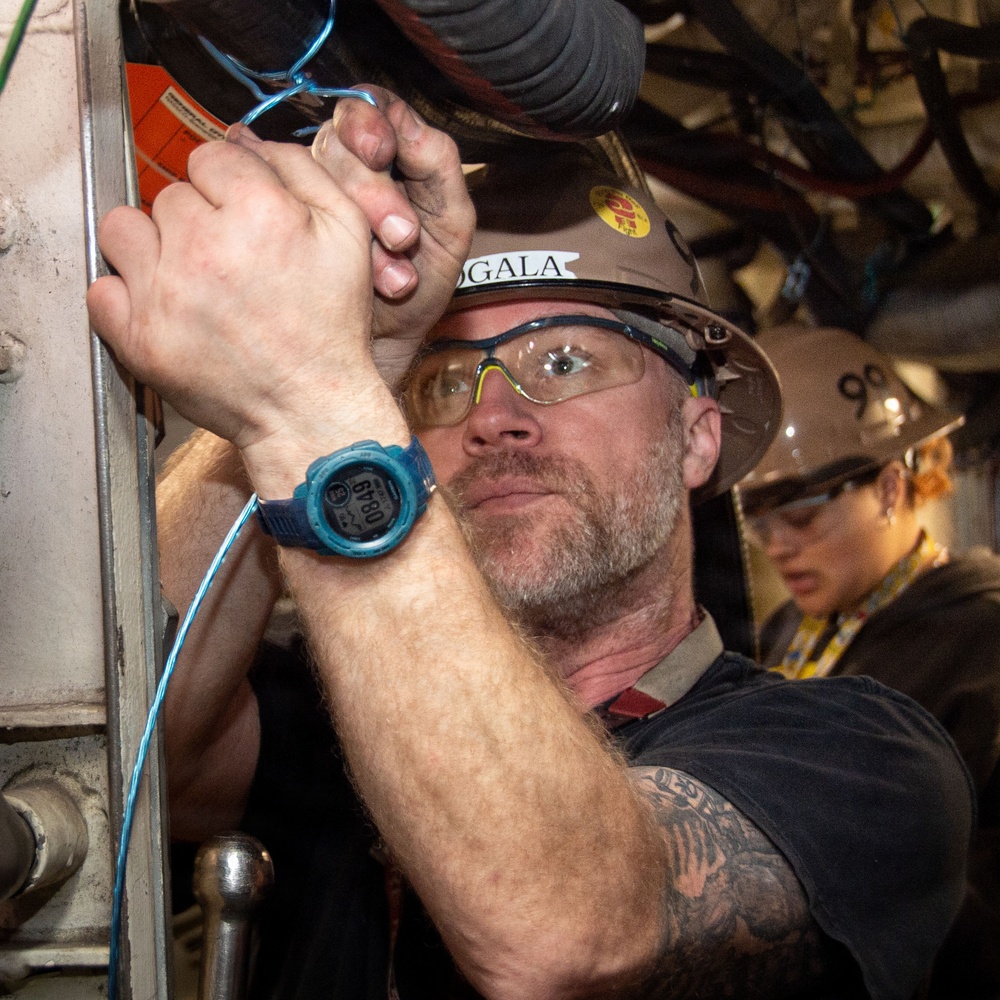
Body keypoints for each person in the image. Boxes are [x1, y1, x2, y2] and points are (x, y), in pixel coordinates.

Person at [86, 91, 974, 1000]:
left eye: (565, 361)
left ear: (696, 437)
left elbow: (565, 934)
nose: (494, 417)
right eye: (444, 380)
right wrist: (337, 365)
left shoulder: (861, 764)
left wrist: (305, 398)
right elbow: (132, 749)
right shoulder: (349, 713)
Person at [739, 324, 1000, 998]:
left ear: (888, 489)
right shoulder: (792, 630)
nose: (777, 547)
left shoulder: (982, 648)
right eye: (758, 523)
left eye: (799, 516)